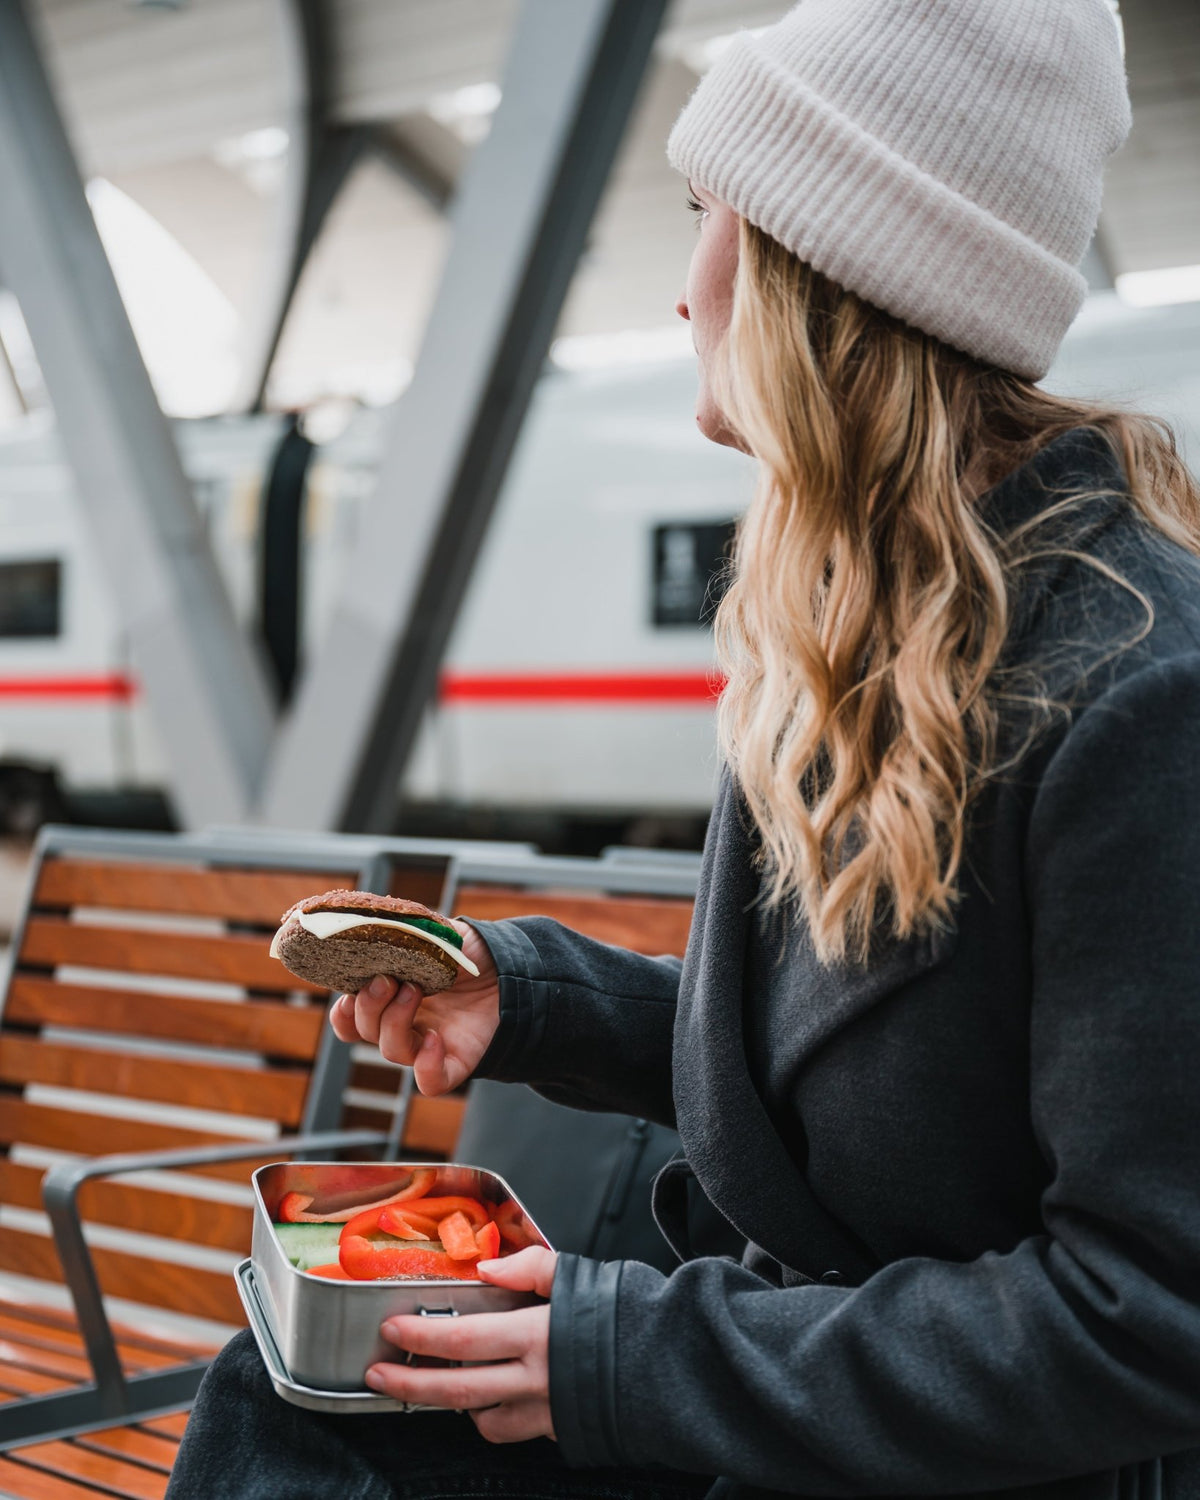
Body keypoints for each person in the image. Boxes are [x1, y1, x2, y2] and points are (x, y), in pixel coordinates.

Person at [167, 1, 1200, 1496]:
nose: (683, 288)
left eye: (707, 214)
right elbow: (847, 1085)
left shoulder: (1141, 693)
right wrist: (520, 999)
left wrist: (622, 1358)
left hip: (945, 1454)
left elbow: (1150, 1311)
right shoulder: (853, 619)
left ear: (818, 272)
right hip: (784, 1385)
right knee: (298, 1394)